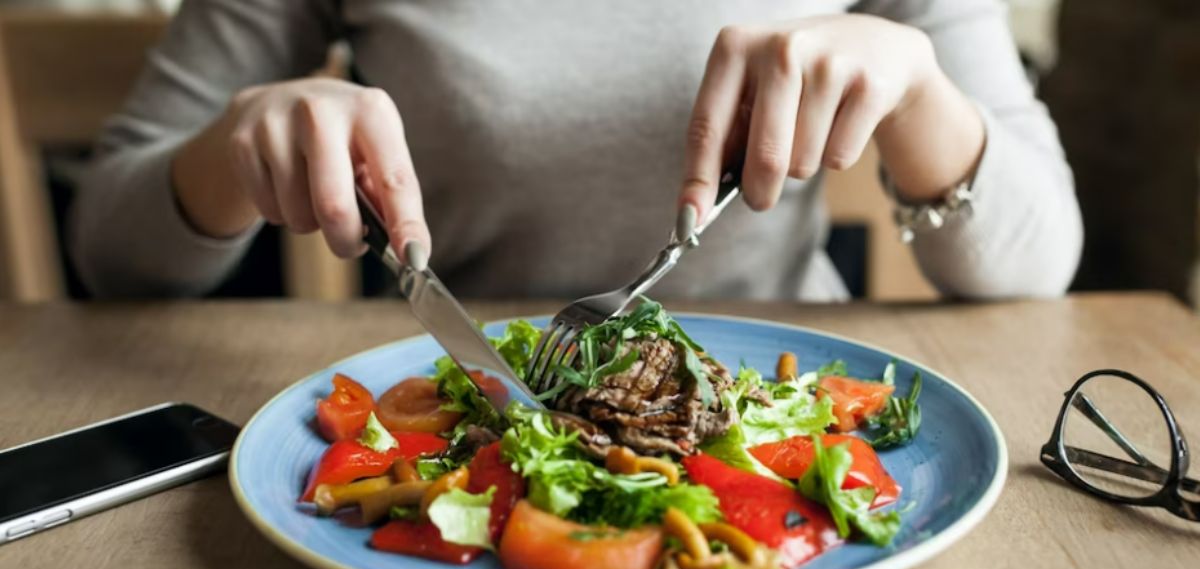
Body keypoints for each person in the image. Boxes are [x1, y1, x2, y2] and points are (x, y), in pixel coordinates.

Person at [69, 0, 1082, 301]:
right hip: (451, 423)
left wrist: (918, 91)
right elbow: (108, 246)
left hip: (788, 426)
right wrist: (234, 147)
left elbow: (1042, 260)